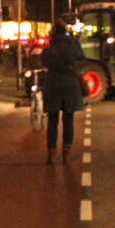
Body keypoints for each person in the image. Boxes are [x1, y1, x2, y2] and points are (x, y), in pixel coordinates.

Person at [41, 17, 85, 163]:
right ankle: (66, 153)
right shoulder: (73, 45)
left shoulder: (49, 49)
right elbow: (81, 57)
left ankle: (51, 153)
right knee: (68, 119)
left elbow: (44, 62)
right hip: (70, 84)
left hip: (53, 84)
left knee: (52, 120)